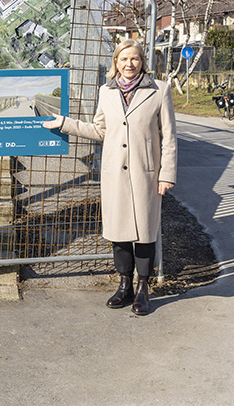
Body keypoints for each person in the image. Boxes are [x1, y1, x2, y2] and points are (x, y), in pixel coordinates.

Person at [43, 39, 176, 315]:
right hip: (115, 173)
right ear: (116, 62)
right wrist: (65, 123)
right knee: (119, 232)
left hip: (145, 173)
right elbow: (99, 130)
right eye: (123, 59)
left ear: (143, 62)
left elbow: (170, 138)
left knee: (144, 233)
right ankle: (124, 284)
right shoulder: (106, 92)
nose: (129, 64)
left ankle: (142, 288)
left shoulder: (159, 90)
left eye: (135, 59)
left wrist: (167, 174)